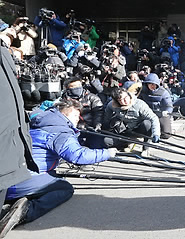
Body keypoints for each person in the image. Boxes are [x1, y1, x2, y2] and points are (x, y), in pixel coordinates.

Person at [2, 100, 116, 234]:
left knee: (54, 175)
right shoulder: (60, 131)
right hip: (17, 181)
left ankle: (18, 198)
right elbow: (78, 156)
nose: (77, 120)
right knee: (64, 187)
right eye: (75, 116)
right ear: (65, 113)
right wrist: (107, 153)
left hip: (6, 176)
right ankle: (26, 211)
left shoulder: (37, 121)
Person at [0, 42, 39, 238]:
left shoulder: (3, 51)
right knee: (62, 187)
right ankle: (24, 213)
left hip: (9, 154)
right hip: (9, 157)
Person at [103, 87, 161, 156]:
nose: (125, 101)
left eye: (126, 97)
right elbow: (106, 118)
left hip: (139, 129)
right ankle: (127, 143)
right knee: (106, 141)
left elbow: (154, 118)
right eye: (121, 100)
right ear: (117, 101)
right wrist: (103, 127)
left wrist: (156, 133)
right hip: (124, 130)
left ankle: (146, 147)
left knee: (147, 123)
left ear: (128, 95)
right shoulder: (112, 105)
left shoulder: (139, 104)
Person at [139, 73, 173, 139]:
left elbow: (169, 105)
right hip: (147, 114)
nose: (152, 86)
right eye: (150, 84)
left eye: (154, 84)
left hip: (161, 114)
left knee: (166, 135)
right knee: (145, 127)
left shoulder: (163, 92)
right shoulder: (142, 91)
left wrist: (167, 112)